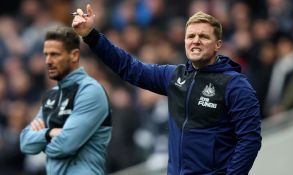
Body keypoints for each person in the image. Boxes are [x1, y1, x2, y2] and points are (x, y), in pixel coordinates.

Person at [72, 4, 262, 174]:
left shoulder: (236, 85)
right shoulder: (174, 76)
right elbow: (129, 67)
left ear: (217, 44)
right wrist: (91, 35)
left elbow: (250, 140)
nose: (195, 41)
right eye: (191, 36)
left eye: (203, 36)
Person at [20, 26, 112, 175]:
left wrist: (41, 140)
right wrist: (49, 133)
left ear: (74, 55)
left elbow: (64, 146)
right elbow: (25, 143)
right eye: (46, 55)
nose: (48, 61)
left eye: (55, 55)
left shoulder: (91, 91)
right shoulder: (52, 95)